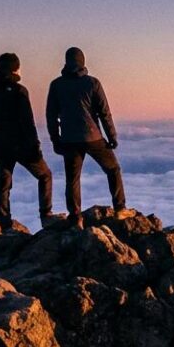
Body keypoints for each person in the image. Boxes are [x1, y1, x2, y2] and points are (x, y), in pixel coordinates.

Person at [46, 47, 128, 226]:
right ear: (82, 61)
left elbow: (51, 116)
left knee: (72, 179)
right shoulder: (92, 83)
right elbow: (104, 112)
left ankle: (76, 218)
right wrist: (112, 137)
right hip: (93, 137)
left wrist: (55, 140)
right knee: (113, 169)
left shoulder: (57, 85)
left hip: (69, 140)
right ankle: (120, 209)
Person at [0, 52, 54, 231]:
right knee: (45, 175)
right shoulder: (19, 91)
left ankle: (5, 224)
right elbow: (27, 122)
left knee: (3, 183)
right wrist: (35, 146)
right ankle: (46, 216)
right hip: (21, 146)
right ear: (15, 68)